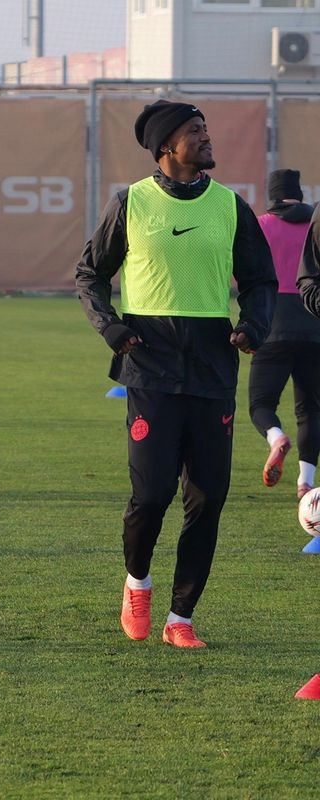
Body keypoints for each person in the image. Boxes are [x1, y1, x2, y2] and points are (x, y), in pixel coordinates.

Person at [75, 100, 275, 649]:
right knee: (153, 493)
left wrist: (253, 325)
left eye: (207, 128)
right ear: (167, 147)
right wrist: (111, 328)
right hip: (150, 365)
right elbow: (91, 273)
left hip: (212, 367)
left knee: (208, 497)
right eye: (195, 131)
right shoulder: (131, 203)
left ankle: (181, 618)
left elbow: (261, 281)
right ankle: (137, 582)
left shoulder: (231, 208)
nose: (207, 137)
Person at [248, 169, 320, 499]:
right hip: (314, 321)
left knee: (261, 404)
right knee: (311, 410)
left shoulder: (260, 225)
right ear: (300, 195)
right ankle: (306, 481)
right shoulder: (315, 225)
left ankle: (276, 437)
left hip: (272, 322)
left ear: (272, 195)